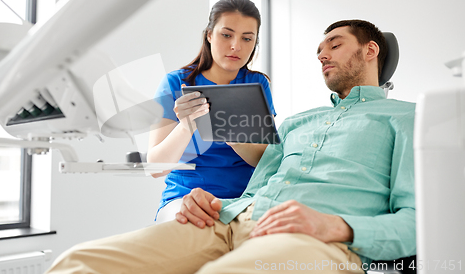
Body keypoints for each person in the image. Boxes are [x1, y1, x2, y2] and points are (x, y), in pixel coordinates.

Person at [45, 19, 416, 274]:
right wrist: (207, 200)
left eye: (335, 45)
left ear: (370, 51)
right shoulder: (297, 122)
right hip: (226, 221)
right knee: (79, 262)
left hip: (315, 241)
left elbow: (420, 222)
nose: (322, 55)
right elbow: (259, 183)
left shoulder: (408, 119)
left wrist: (337, 226)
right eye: (319, 49)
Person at [148, 0, 276, 223]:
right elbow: (155, 167)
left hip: (246, 198)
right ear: (209, 35)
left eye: (247, 38)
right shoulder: (176, 83)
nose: (236, 46)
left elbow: (267, 160)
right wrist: (186, 126)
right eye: (226, 35)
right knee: (188, 232)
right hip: (185, 198)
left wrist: (233, 135)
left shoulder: (257, 84)